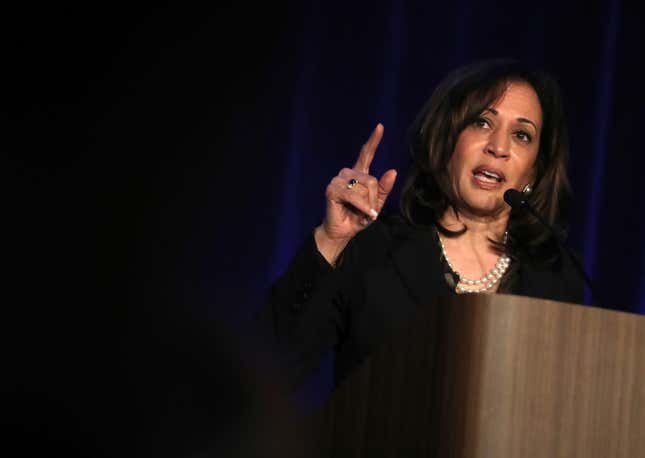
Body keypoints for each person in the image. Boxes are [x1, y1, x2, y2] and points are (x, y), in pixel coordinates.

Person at [257, 59, 584, 391]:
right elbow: (266, 373)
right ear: (445, 140)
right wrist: (330, 240)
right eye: (482, 122)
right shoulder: (374, 248)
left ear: (535, 170)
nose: (498, 147)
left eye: (522, 135)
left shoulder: (556, 277)